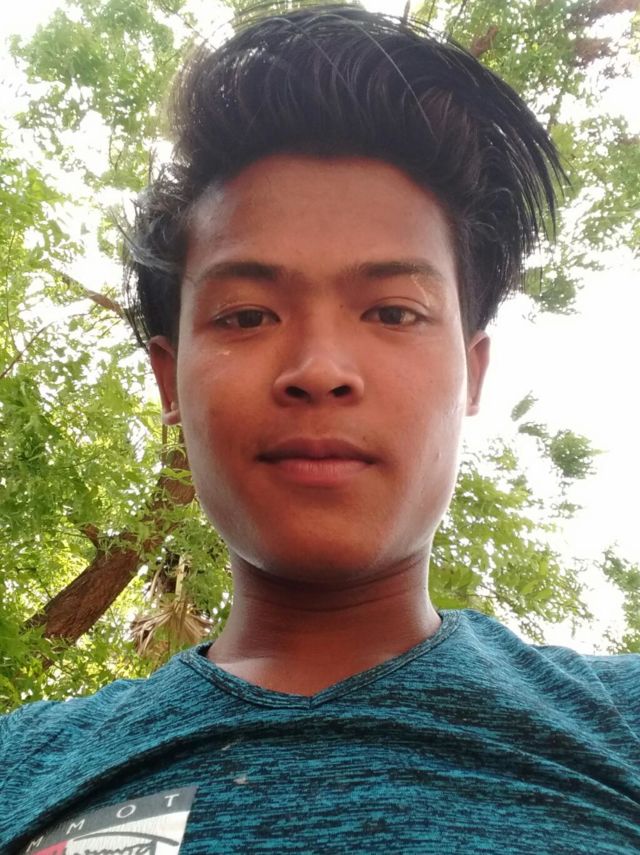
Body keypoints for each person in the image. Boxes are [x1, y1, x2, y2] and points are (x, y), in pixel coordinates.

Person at [2, 5, 639, 853]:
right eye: (247, 314)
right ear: (169, 380)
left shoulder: (622, 724)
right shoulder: (21, 767)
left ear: (473, 372)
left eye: (393, 311)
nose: (320, 367)